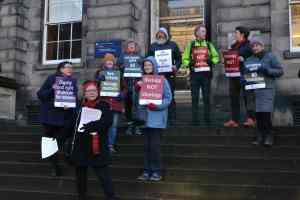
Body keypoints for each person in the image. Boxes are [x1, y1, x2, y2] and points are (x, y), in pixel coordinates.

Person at [70, 81, 116, 200]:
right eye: (88, 91)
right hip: (81, 145)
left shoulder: (104, 105)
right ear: (84, 93)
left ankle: (110, 196)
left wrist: (91, 126)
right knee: (80, 176)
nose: (91, 93)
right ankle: (82, 196)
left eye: (94, 91)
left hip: (97, 145)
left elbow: (107, 122)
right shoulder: (79, 106)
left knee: (103, 175)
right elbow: (72, 125)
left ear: (98, 92)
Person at [37, 61, 78, 176]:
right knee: (50, 143)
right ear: (60, 69)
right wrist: (52, 89)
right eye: (67, 67)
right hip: (50, 118)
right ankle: (55, 167)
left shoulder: (72, 82)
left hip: (66, 118)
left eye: (72, 67)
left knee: (60, 141)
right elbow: (40, 95)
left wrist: (70, 106)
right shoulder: (51, 79)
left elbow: (73, 99)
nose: (70, 69)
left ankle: (65, 154)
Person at [135, 56, 172, 181]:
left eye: (149, 65)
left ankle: (156, 171)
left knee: (155, 147)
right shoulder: (141, 80)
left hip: (156, 119)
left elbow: (168, 98)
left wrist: (157, 105)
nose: (147, 67)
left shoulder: (163, 80)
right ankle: (146, 170)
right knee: (146, 147)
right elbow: (137, 101)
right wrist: (137, 89)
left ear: (154, 66)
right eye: (145, 66)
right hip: (144, 118)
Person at [244, 35, 284, 146]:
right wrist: (245, 79)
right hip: (254, 90)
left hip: (267, 89)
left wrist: (267, 70)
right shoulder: (249, 60)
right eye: (253, 46)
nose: (255, 48)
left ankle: (269, 135)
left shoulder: (270, 57)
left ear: (262, 46)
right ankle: (260, 135)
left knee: (265, 114)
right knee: (258, 115)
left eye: (257, 45)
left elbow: (280, 71)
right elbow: (246, 75)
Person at [182, 24, 219, 126]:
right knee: (194, 98)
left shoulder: (208, 44)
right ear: (197, 33)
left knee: (206, 97)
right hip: (195, 75)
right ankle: (195, 120)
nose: (205, 33)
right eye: (202, 31)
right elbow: (184, 58)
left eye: (205, 31)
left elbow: (216, 57)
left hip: (206, 75)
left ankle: (207, 119)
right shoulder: (191, 44)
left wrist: (211, 61)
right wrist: (190, 63)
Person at [223, 26, 256, 128]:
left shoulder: (249, 46)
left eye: (236, 33)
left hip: (245, 74)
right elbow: (231, 56)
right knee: (233, 97)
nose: (234, 34)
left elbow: (254, 59)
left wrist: (244, 59)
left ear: (242, 34)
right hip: (233, 75)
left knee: (248, 97)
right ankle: (234, 120)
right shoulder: (233, 45)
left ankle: (251, 118)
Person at [148, 27, 181, 125]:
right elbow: (148, 59)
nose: (160, 36)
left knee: (170, 96)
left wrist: (176, 66)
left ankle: (172, 118)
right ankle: (159, 118)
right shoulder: (152, 46)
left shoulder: (173, 45)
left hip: (169, 76)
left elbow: (179, 59)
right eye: (159, 34)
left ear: (166, 35)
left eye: (162, 34)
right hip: (156, 76)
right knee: (156, 97)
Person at [95, 53, 127, 153]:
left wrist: (122, 94)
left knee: (113, 126)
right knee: (103, 125)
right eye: (107, 61)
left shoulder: (119, 73)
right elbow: (93, 88)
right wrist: (98, 82)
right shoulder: (99, 73)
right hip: (103, 103)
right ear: (104, 62)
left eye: (111, 61)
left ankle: (110, 145)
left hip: (115, 103)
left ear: (113, 62)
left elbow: (124, 88)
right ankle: (102, 144)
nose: (109, 62)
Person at [118, 40, 144, 135]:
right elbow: (118, 67)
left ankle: (136, 126)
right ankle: (129, 125)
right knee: (128, 106)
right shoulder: (122, 56)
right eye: (129, 45)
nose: (131, 46)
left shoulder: (140, 56)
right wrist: (123, 66)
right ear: (127, 47)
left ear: (136, 46)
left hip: (137, 85)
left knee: (137, 106)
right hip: (126, 84)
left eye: (133, 45)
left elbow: (144, 67)